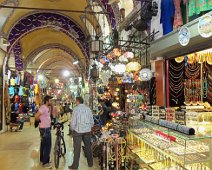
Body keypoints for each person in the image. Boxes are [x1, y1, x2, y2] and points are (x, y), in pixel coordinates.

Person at [68, 96, 94, 170]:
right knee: (88, 147)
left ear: (78, 101)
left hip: (78, 131)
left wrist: (72, 129)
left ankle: (75, 166)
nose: (75, 102)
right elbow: (92, 121)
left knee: (77, 149)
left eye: (75, 101)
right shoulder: (88, 109)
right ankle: (90, 164)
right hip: (87, 131)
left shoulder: (76, 109)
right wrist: (89, 127)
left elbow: (73, 122)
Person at [35, 95, 53, 169]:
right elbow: (36, 116)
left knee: (43, 144)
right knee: (47, 145)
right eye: (50, 100)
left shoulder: (46, 108)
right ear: (47, 101)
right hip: (45, 129)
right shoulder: (43, 107)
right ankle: (45, 163)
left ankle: (43, 160)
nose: (51, 102)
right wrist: (39, 121)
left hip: (45, 128)